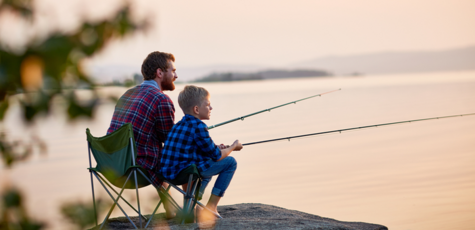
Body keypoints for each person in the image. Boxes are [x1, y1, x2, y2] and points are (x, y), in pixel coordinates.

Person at [107, 51, 178, 218]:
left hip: (111, 166)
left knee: (155, 153)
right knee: (179, 155)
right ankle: (186, 210)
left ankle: (171, 209)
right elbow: (170, 142)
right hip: (136, 171)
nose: (176, 75)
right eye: (173, 71)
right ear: (160, 73)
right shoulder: (161, 99)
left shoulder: (127, 94)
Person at [160, 85, 243, 222]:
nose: (211, 108)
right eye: (208, 105)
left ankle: (192, 206)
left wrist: (217, 147)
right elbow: (217, 156)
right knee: (230, 163)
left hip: (168, 174)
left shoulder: (178, 125)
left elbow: (196, 147)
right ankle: (211, 207)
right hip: (185, 173)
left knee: (205, 161)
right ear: (196, 109)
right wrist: (233, 147)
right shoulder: (199, 126)